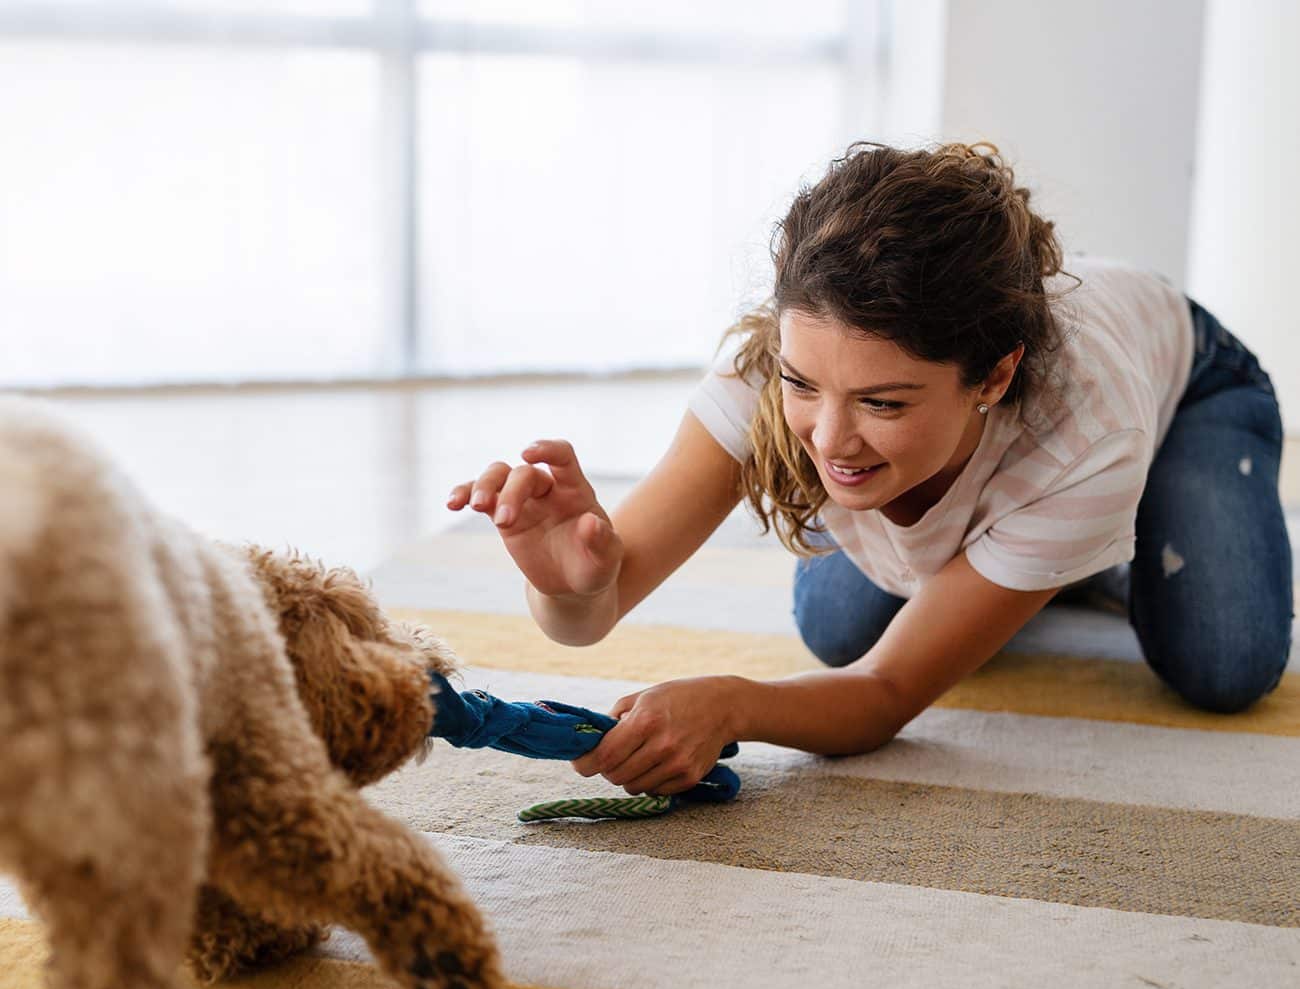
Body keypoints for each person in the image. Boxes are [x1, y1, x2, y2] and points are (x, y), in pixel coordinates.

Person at [447, 141, 1293, 798]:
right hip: (1029, 461)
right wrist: (572, 585)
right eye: (802, 384)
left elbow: (884, 693)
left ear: (993, 377)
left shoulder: (1088, 437)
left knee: (1225, 662)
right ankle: (1041, 560)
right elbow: (588, 618)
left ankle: (1096, 556)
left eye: (884, 403)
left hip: (1193, 393)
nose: (830, 440)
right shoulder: (761, 377)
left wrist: (735, 702)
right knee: (836, 631)